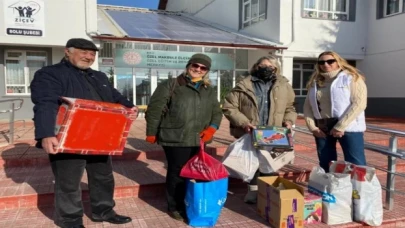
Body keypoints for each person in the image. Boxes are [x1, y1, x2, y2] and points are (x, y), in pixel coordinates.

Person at [30, 38, 136, 228]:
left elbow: (114, 96)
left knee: (103, 178)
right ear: (67, 51)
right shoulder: (49, 74)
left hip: (100, 137)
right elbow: (45, 103)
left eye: (92, 54)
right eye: (83, 52)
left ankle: (103, 211)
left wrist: (130, 106)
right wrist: (46, 134)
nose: (89, 57)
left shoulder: (99, 77)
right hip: (68, 137)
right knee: (68, 182)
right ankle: (70, 220)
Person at [145, 53, 222, 221]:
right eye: (195, 65)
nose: (198, 69)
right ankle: (174, 206)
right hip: (175, 137)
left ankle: (188, 201)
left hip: (198, 138)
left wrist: (212, 128)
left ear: (207, 71)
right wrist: (151, 132)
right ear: (189, 65)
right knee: (177, 172)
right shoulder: (170, 85)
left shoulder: (208, 89)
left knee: (193, 172)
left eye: (203, 68)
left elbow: (216, 112)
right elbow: (154, 110)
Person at [222, 55, 297, 204]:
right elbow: (229, 106)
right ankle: (253, 191)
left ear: (276, 69)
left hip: (274, 132)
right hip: (251, 131)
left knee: (269, 163)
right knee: (252, 163)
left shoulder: (284, 85)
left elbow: (290, 107)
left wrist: (288, 120)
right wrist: (244, 123)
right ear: (256, 66)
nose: (266, 69)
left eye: (270, 67)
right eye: (262, 66)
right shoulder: (244, 84)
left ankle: (267, 192)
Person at [303, 51, 367, 173]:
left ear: (338, 62)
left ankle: (358, 191)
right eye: (321, 62)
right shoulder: (315, 82)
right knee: (326, 162)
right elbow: (308, 107)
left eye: (330, 61)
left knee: (356, 163)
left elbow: (359, 104)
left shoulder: (352, 78)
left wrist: (340, 126)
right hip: (323, 127)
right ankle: (331, 188)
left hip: (348, 126)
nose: (325, 64)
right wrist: (313, 127)